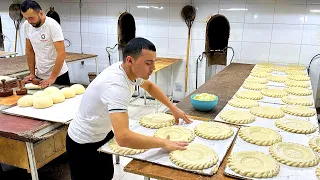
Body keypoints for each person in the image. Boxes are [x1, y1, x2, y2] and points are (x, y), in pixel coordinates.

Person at [66, 37, 192, 180]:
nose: (153, 68)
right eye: (148, 63)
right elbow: (123, 138)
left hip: (102, 135)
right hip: (82, 143)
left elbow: (149, 86)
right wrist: (163, 143)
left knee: (107, 175)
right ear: (130, 60)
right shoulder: (116, 87)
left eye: (154, 62)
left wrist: (173, 108)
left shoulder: (129, 71)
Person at [21, 0, 70, 88]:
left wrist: (52, 78)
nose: (29, 21)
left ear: (40, 13)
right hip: (40, 74)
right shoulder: (27, 25)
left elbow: (61, 53)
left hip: (58, 76)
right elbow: (29, 50)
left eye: (31, 18)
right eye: (26, 18)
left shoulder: (52, 25)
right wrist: (32, 73)